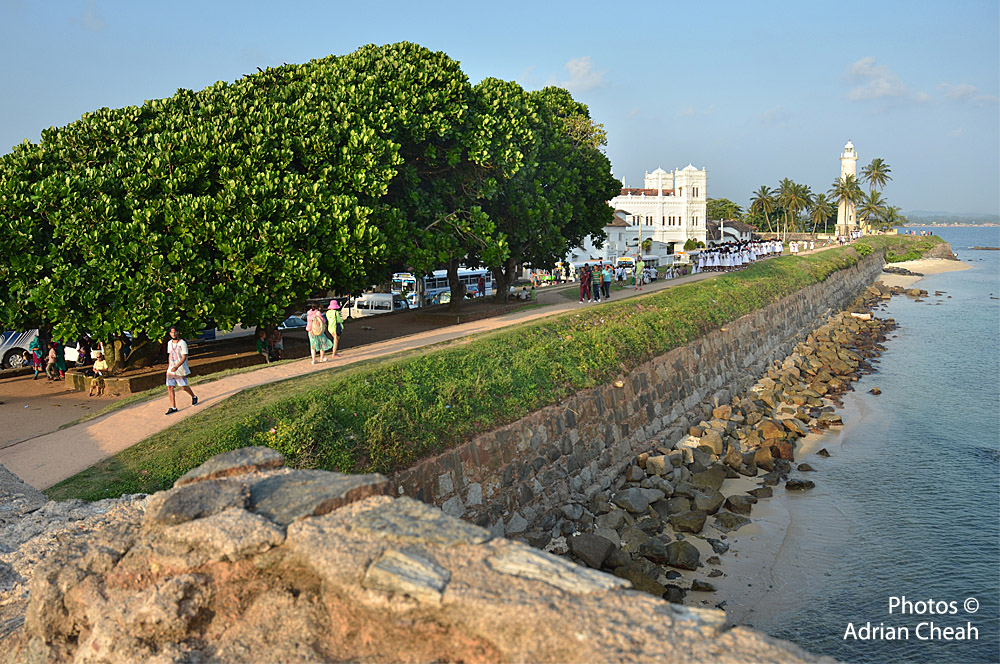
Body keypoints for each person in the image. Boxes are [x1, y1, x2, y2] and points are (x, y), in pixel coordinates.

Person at [165, 325, 198, 415]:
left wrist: (177, 366)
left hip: (180, 369)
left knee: (183, 387)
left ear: (178, 332)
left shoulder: (182, 343)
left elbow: (184, 357)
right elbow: (170, 354)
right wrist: (170, 366)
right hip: (171, 369)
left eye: (175, 332)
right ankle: (173, 407)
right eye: (171, 332)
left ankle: (194, 396)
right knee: (170, 387)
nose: (173, 334)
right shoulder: (169, 343)